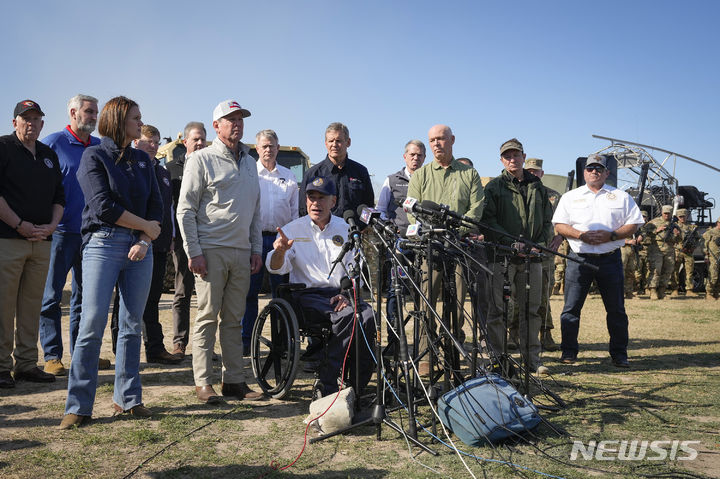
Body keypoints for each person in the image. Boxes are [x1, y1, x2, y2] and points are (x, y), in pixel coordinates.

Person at [60, 96, 163, 429]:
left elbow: (156, 208)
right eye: (135, 117)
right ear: (118, 120)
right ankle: (78, 406)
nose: (140, 122)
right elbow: (103, 206)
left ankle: (128, 399)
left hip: (140, 249)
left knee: (132, 325)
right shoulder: (94, 156)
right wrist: (144, 228)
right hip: (102, 244)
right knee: (91, 325)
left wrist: (146, 239)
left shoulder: (143, 161)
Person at [177, 99, 264, 404]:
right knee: (207, 317)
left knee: (234, 318)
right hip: (211, 250)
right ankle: (203, 382)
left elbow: (255, 212)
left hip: (241, 252)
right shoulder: (200, 160)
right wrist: (194, 251)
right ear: (216, 126)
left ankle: (234, 381)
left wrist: (255, 248)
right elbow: (185, 210)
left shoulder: (251, 163)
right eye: (230, 119)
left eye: (240, 118)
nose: (237, 123)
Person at [267, 176, 375, 397]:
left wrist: (348, 294)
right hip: (306, 296)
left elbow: (356, 268)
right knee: (348, 317)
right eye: (311, 198)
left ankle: (356, 385)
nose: (316, 203)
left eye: (321, 198)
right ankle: (328, 383)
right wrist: (280, 252)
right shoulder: (292, 229)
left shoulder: (346, 229)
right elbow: (276, 268)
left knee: (367, 316)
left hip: (340, 293)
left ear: (333, 201)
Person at [552, 154, 644, 368]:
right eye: (591, 168)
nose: (595, 172)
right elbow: (559, 225)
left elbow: (634, 224)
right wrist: (580, 235)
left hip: (610, 260)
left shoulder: (620, 196)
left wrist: (612, 235)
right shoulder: (570, 197)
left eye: (599, 169)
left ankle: (619, 354)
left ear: (607, 173)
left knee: (616, 310)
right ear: (584, 172)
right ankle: (568, 352)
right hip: (578, 259)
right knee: (571, 309)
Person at [406, 124, 484, 375]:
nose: (437, 143)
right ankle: (426, 354)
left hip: (459, 248)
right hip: (430, 249)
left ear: (452, 140)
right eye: (432, 140)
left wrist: (455, 231)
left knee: (457, 304)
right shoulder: (420, 175)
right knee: (426, 302)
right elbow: (411, 211)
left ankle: (452, 350)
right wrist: (432, 232)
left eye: (441, 139)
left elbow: (476, 209)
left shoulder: (469, 174)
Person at [0, 99, 64, 389]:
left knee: (30, 306)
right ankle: (1, 366)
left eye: (36, 119)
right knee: (3, 306)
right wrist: (18, 224)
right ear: (15, 122)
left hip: (42, 241)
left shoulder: (48, 154)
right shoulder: (3, 148)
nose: (31, 123)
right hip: (9, 239)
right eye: (25, 118)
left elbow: (59, 197)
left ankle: (26, 364)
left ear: (42, 123)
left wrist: (51, 226)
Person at [38, 95, 102, 376]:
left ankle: (81, 354)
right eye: (88, 112)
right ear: (73, 113)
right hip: (60, 234)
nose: (93, 117)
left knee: (85, 298)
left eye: (95, 112)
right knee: (51, 297)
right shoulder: (52, 143)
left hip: (91, 235)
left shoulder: (99, 147)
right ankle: (52, 356)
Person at [109, 125, 181, 364]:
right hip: (133, 243)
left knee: (153, 298)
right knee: (125, 299)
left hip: (158, 244)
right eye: (149, 141)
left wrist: (169, 238)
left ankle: (155, 348)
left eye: (157, 141)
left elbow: (167, 208)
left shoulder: (161, 173)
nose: (154, 145)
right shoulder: (129, 168)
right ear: (136, 142)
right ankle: (121, 349)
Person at [481, 141, 553, 375]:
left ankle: (532, 359)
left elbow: (546, 223)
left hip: (532, 258)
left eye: (516, 155)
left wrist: (538, 245)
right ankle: (498, 359)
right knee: (498, 310)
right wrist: (510, 244)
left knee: (531, 310)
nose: (512, 159)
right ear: (501, 160)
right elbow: (488, 221)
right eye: (507, 156)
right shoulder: (494, 188)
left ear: (524, 157)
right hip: (501, 258)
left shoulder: (538, 187)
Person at [241, 129, 298, 353]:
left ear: (277, 147)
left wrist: (291, 242)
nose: (268, 149)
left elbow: (294, 213)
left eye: (272, 145)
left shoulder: (289, 176)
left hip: (280, 242)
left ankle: (281, 344)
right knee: (249, 294)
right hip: (253, 240)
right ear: (257, 149)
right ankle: (246, 343)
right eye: (263, 146)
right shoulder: (248, 173)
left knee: (281, 295)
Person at [376, 139, 426, 341]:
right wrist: (390, 228)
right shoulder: (392, 180)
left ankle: (422, 342)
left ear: (424, 158)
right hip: (400, 245)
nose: (415, 158)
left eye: (420, 155)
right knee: (395, 290)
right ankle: (395, 340)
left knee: (424, 293)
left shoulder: (428, 178)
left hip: (424, 244)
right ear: (405, 156)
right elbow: (380, 211)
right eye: (412, 154)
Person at [166, 121, 206, 358]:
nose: (200, 143)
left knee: (207, 295)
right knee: (183, 291)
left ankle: (204, 346)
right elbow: (171, 208)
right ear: (185, 142)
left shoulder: (212, 165)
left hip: (208, 237)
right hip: (182, 239)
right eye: (195, 139)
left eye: (203, 139)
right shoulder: (171, 170)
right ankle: (179, 343)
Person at [514, 157, 560, 352]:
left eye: (536, 171)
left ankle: (545, 332)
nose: (533, 174)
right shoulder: (518, 191)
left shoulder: (553, 196)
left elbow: (561, 222)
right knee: (516, 295)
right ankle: (514, 332)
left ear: (542, 173)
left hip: (545, 253)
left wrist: (559, 239)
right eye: (530, 171)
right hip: (520, 251)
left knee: (541, 296)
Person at [299, 122, 374, 218]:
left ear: (348, 142)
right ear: (326, 144)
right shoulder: (312, 174)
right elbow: (303, 209)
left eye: (338, 140)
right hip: (322, 232)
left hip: (353, 231)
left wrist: (361, 228)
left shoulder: (360, 172)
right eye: (331, 141)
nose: (334, 145)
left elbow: (368, 205)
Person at [642, 205, 681, 300]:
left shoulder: (675, 225)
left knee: (667, 271)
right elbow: (643, 233)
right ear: (662, 213)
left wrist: (677, 235)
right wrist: (656, 230)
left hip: (670, 249)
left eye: (669, 214)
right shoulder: (654, 222)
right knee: (656, 270)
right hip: (656, 249)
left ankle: (662, 291)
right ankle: (653, 291)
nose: (667, 215)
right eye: (665, 213)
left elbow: (680, 239)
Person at [672, 208, 698, 296]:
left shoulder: (692, 227)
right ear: (677, 217)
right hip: (677, 251)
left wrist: (693, 247)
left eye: (684, 216)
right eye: (680, 216)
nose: (682, 218)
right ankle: (675, 289)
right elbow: (669, 239)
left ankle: (689, 290)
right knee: (675, 271)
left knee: (689, 271)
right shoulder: (674, 226)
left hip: (688, 252)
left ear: (687, 216)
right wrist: (675, 235)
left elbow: (698, 239)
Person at [702, 219, 720, 300]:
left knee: (719, 276)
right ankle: (709, 293)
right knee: (713, 275)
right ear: (717, 223)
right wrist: (706, 255)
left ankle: (716, 293)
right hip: (713, 257)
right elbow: (704, 243)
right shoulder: (710, 232)